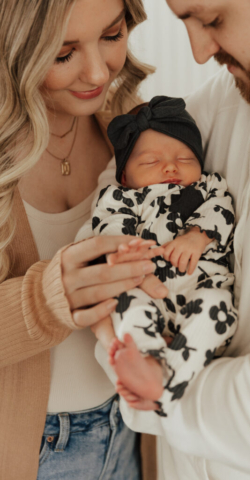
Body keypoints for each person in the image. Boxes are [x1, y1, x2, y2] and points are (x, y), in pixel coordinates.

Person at [90, 0, 250, 478]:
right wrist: (115, 289)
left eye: (213, 19)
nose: (198, 52)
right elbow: (115, 189)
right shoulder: (231, 92)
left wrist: (157, 388)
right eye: (185, 22)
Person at [0, 0, 166, 479]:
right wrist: (45, 300)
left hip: (131, 432)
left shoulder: (136, 127)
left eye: (112, 36)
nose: (98, 71)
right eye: (63, 53)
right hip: (34, 453)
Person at [90, 95, 237, 417]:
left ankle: (166, 382)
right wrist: (124, 252)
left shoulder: (208, 187)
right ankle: (148, 358)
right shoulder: (121, 197)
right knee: (127, 303)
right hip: (147, 290)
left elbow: (222, 210)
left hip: (201, 290)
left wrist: (197, 237)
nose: (171, 167)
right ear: (125, 176)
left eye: (185, 158)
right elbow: (108, 230)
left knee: (218, 306)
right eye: (150, 162)